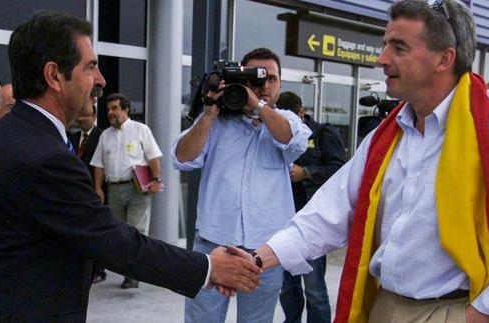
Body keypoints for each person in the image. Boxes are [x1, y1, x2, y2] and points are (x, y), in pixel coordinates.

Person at [0, 11, 261, 323]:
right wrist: (209, 267)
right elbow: (118, 245)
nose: (101, 80)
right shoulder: (44, 157)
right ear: (54, 75)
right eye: (91, 67)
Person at [241, 0, 489, 322]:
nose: (382, 59)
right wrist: (259, 257)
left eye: (399, 47)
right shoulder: (387, 135)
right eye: (384, 44)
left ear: (444, 58)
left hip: (458, 310)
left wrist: (483, 313)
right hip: (384, 306)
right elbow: (328, 212)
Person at [172, 47, 311, 323]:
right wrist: (209, 113)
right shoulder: (216, 121)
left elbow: (294, 142)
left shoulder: (287, 120)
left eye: (271, 78)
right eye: (256, 78)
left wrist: (257, 106)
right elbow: (181, 158)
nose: (264, 85)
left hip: (265, 250)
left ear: (281, 83)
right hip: (213, 243)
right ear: (240, 80)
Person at [276, 91, 346, 323]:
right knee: (287, 286)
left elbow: (339, 170)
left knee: (314, 288)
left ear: (301, 114)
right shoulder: (274, 134)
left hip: (312, 221)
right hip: (282, 221)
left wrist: (305, 173)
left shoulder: (324, 133)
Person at [91, 92, 163, 289]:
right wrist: (98, 188)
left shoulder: (141, 130)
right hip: (114, 190)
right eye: (108, 109)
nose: (110, 113)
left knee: (135, 231)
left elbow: (154, 157)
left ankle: (134, 274)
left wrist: (156, 179)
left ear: (126, 109)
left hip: (137, 189)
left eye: (115, 108)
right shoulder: (105, 135)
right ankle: (130, 270)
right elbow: (98, 165)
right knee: (119, 233)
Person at [68, 104, 106, 284]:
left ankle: (99, 269)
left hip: (96, 191)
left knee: (97, 230)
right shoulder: (71, 138)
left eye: (86, 115)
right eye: (79, 115)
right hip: (75, 193)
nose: (82, 119)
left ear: (94, 115)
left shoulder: (102, 136)